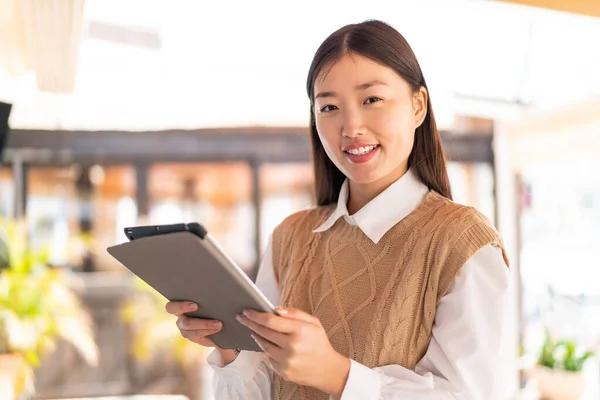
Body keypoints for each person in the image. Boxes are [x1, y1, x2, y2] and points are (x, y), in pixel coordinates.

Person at [165, 19, 510, 400]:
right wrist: (228, 348)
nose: (351, 126)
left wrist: (337, 373)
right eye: (329, 106)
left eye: (371, 99)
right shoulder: (290, 237)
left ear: (418, 106)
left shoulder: (462, 242)